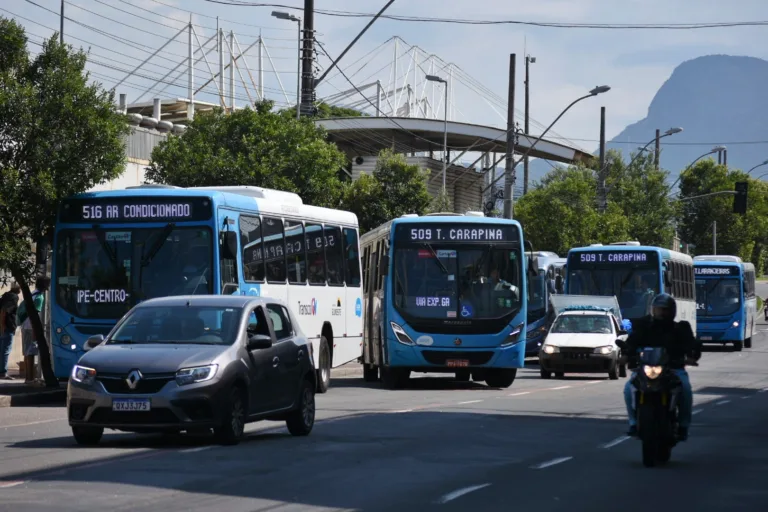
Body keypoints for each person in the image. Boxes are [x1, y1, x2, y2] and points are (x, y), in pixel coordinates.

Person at [622, 293, 699, 440]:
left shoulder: (680, 328)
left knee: (685, 389)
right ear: (653, 310)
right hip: (647, 368)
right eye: (658, 309)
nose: (661, 313)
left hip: (673, 369)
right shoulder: (645, 326)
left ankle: (683, 425)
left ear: (672, 311)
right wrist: (626, 354)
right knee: (628, 388)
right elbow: (632, 342)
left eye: (665, 310)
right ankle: (633, 423)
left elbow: (691, 344)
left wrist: (691, 356)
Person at [16, 276, 51, 384]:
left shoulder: (32, 293)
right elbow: (34, 315)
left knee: (27, 352)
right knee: (31, 352)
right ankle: (30, 379)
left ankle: (28, 378)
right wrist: (36, 330)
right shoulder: (39, 297)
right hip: (31, 327)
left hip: (25, 326)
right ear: (45, 286)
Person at [0, 283, 21, 380]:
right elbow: (4, 311)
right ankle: (3, 373)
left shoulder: (5, 296)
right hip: (7, 327)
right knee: (5, 350)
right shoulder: (13, 297)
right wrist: (3, 325)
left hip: (4, 327)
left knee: (2, 350)